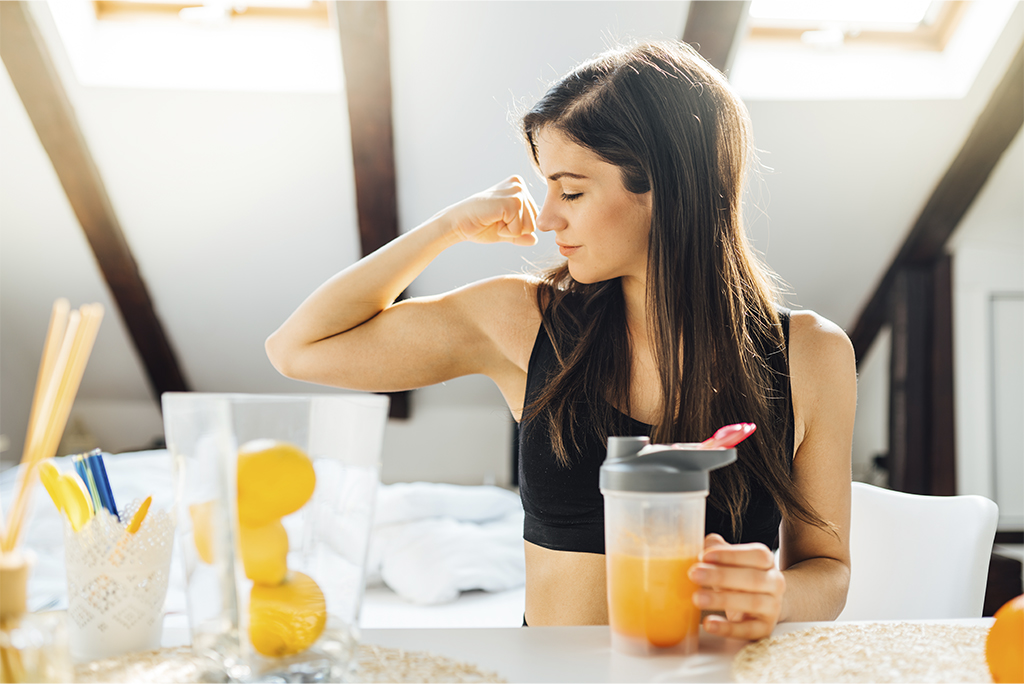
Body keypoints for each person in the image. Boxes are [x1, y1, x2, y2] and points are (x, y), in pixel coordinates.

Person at [266, 40, 855, 639]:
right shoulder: (519, 322)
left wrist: (773, 594)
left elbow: (827, 570)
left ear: (668, 189)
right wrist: (447, 228)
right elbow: (300, 349)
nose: (546, 218)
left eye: (570, 191)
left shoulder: (809, 354)